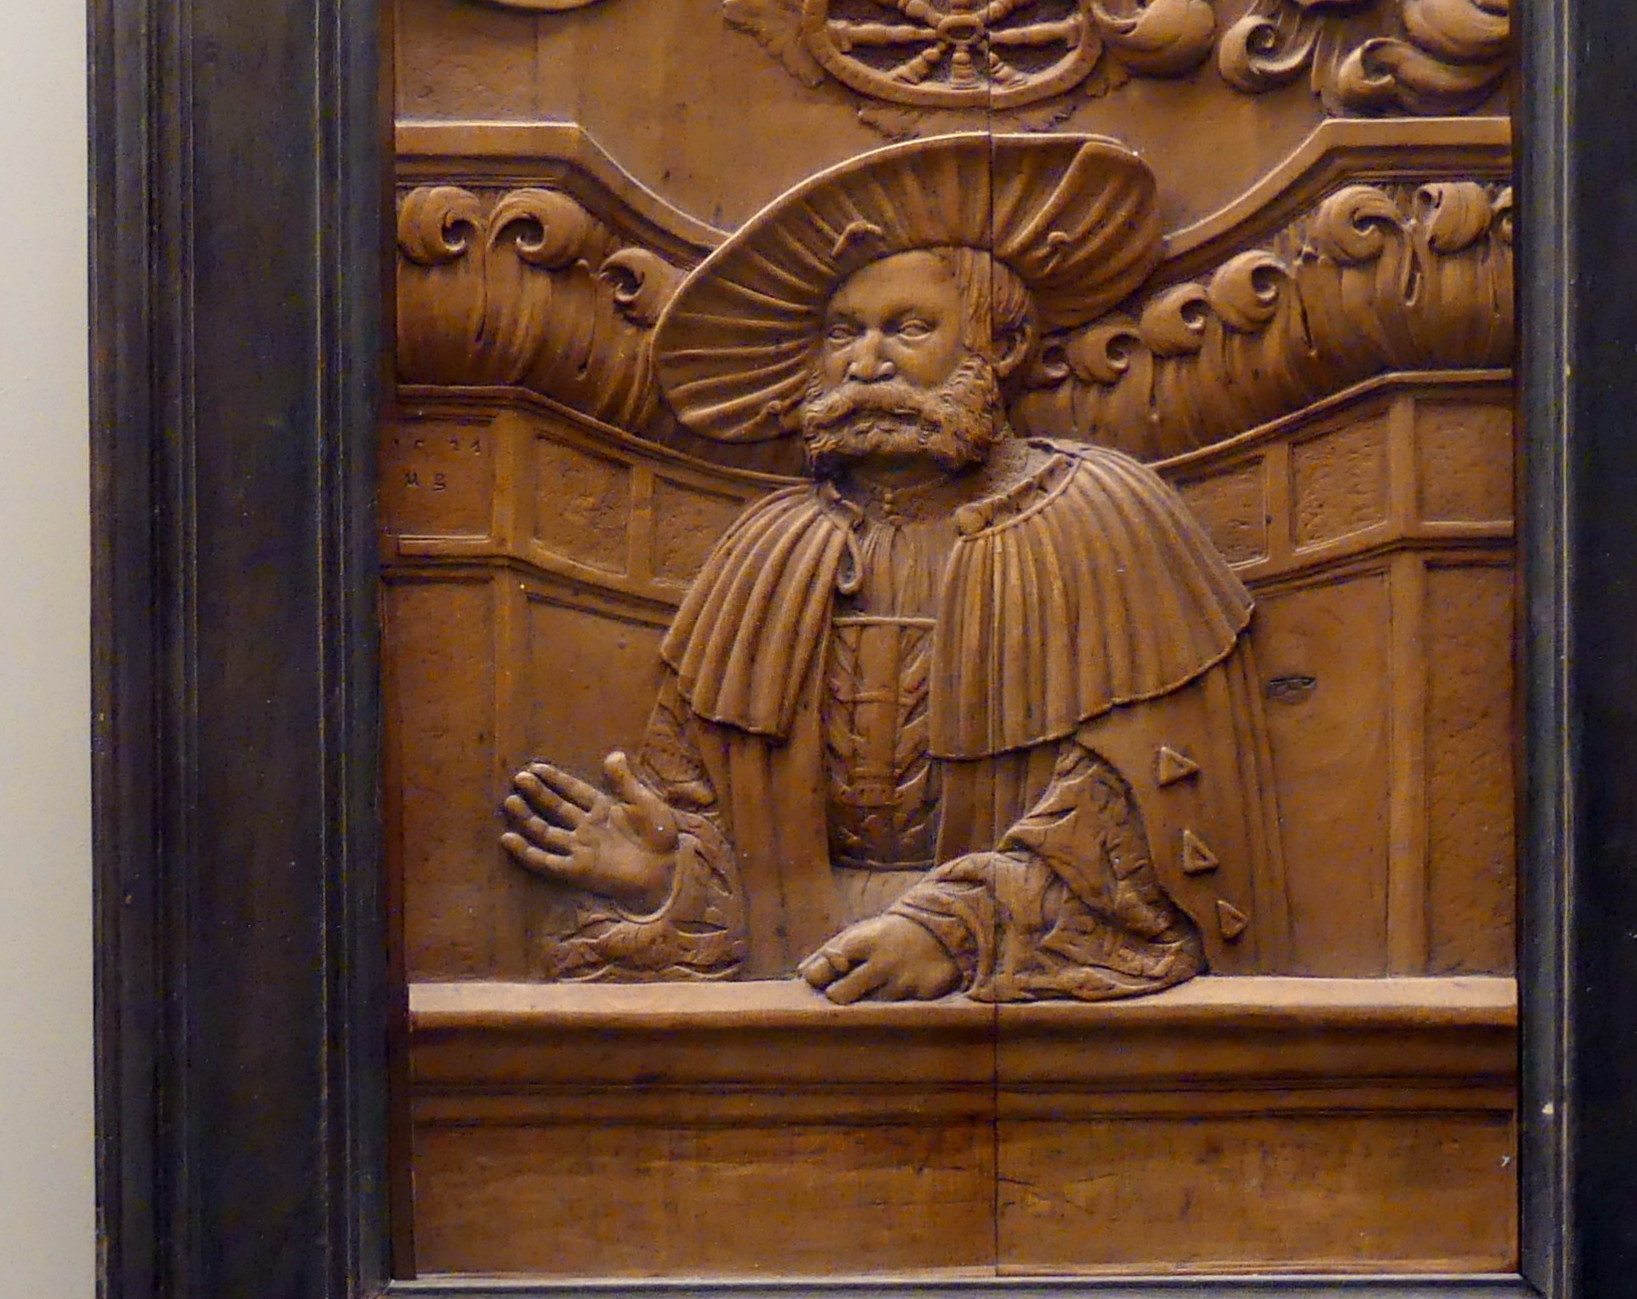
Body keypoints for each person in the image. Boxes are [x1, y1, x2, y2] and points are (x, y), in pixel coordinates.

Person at [498, 132, 1291, 1002]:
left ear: (1004, 345)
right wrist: (665, 876)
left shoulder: (1104, 514)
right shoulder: (766, 547)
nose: (865, 362)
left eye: (909, 328)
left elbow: (1146, 807)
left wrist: (960, 926)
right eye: (843, 332)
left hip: (1032, 1014)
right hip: (797, 1000)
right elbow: (703, 815)